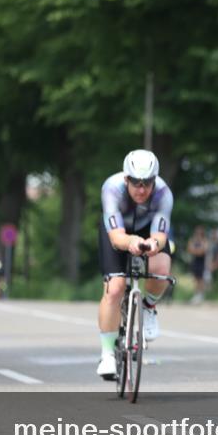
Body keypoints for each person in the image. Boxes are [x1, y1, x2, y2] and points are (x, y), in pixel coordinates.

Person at [96, 149, 174, 380]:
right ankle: (107, 354)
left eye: (147, 183)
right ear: (126, 179)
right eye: (136, 183)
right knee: (115, 287)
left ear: (154, 180)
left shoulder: (163, 193)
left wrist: (153, 244)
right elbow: (116, 237)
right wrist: (130, 241)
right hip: (118, 230)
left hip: (147, 229)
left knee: (161, 269)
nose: (141, 189)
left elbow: (160, 235)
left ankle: (148, 307)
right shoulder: (111, 188)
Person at [187, 225, 208, 304]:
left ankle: (200, 295)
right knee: (195, 279)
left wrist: (195, 250)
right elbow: (189, 249)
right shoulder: (193, 240)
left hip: (201, 262)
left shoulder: (204, 240)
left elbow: (203, 251)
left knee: (201, 279)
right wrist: (197, 251)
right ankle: (196, 295)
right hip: (195, 261)